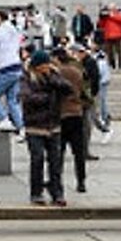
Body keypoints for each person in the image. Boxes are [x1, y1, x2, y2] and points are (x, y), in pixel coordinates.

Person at [20, 50, 72, 206]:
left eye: (47, 64)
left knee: (55, 161)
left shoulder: (54, 75)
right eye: (42, 66)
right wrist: (48, 96)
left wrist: (51, 79)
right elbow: (28, 98)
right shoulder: (27, 77)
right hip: (34, 126)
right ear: (36, 66)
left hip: (53, 125)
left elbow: (67, 88)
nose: (45, 68)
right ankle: (36, 192)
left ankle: (57, 192)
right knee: (37, 159)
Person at [53, 47, 91, 193]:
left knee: (58, 151)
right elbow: (85, 91)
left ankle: (57, 180)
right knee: (78, 152)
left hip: (61, 114)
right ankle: (81, 181)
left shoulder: (57, 72)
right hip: (76, 113)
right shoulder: (77, 71)